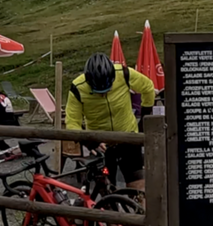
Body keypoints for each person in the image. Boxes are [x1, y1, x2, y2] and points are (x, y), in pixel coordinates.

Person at [66, 53, 157, 192]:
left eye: (107, 90)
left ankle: (139, 212)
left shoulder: (124, 73)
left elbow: (148, 87)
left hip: (128, 138)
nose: (103, 94)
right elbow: (72, 123)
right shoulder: (77, 88)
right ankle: (109, 208)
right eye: (98, 92)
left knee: (138, 187)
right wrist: (89, 142)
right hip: (101, 145)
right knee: (106, 188)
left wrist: (144, 119)